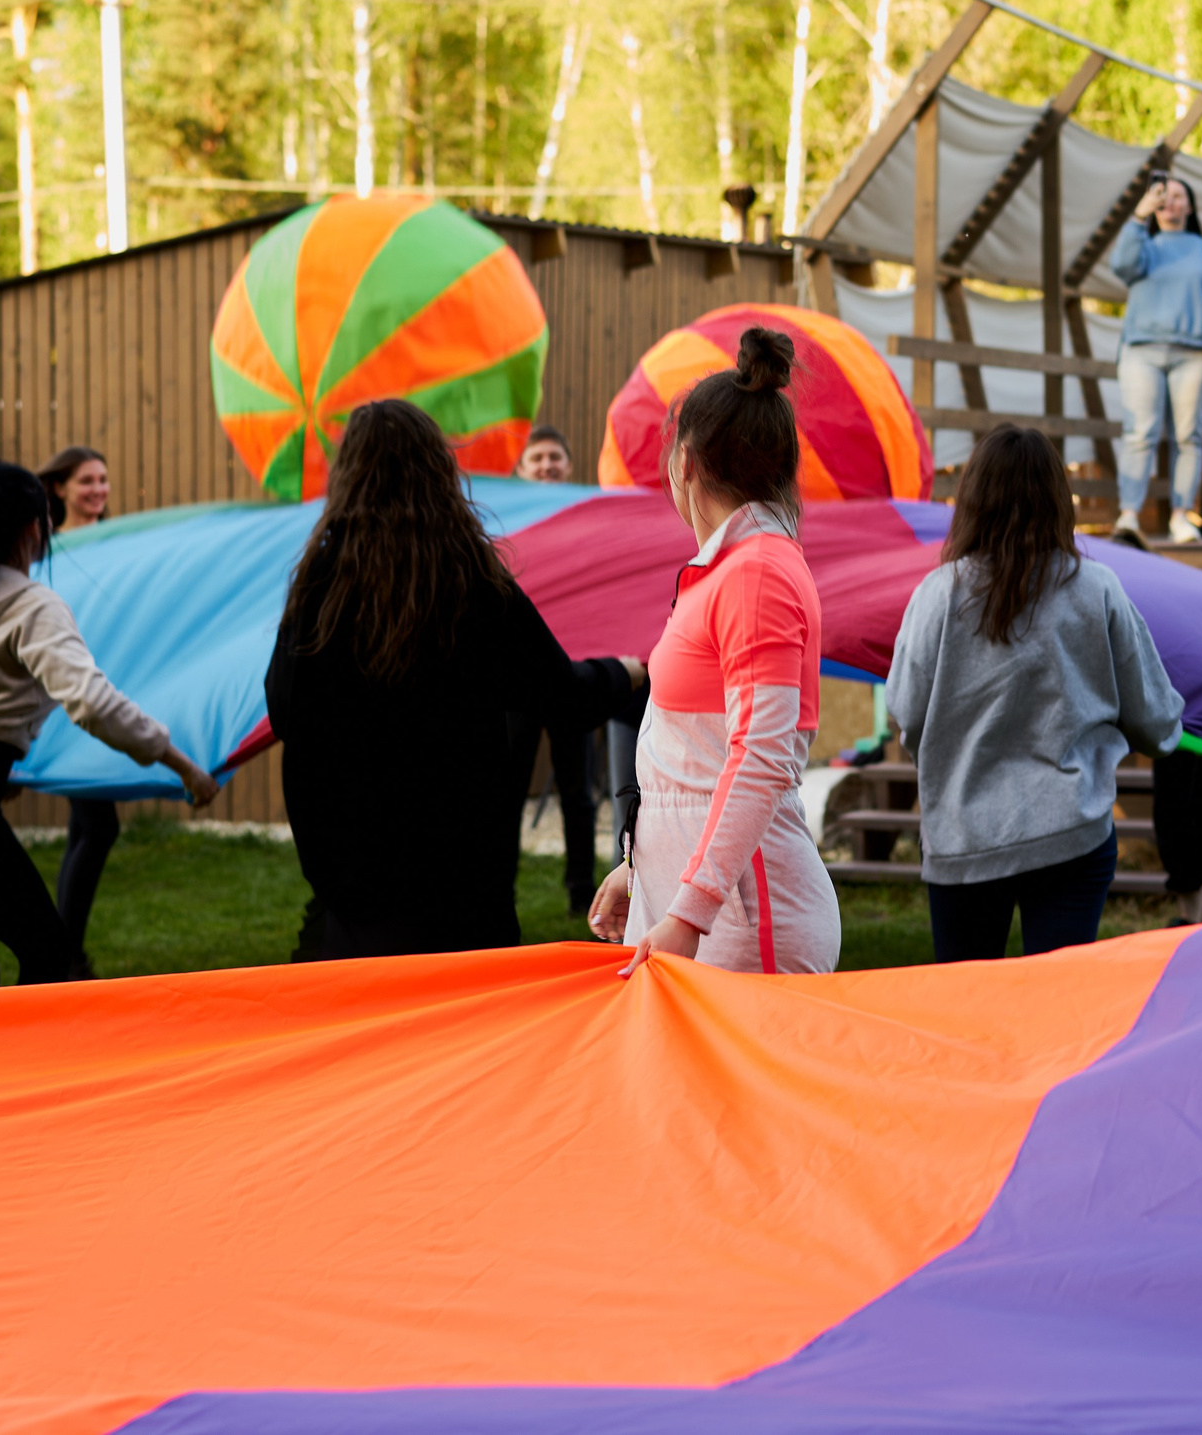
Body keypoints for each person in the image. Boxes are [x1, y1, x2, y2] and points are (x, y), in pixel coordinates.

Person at [267, 401, 641, 960]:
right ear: (439, 474)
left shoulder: (320, 586)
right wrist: (626, 672)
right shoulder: (470, 581)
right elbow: (560, 695)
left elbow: (282, 708)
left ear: (347, 479)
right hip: (460, 888)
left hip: (352, 889)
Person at [0, 462, 220, 989]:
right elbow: (93, 703)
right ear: (35, 527)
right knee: (48, 950)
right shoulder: (33, 605)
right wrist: (183, 766)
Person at [589, 327, 843, 977]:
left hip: (739, 925)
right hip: (712, 913)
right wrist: (642, 870)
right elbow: (691, 764)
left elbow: (759, 755)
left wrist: (689, 910)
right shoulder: (737, 567)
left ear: (687, 462)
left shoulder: (756, 574)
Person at [887, 425, 1183, 960]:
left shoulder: (938, 595)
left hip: (964, 840)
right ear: (1058, 500)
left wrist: (949, 756)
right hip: (1071, 832)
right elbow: (1157, 723)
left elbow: (906, 714)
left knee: (966, 1003)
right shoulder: (1097, 589)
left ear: (972, 501)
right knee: (1062, 1003)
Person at [1111, 174, 1202, 545]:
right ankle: (1129, 515)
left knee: (1188, 436)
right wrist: (1138, 215)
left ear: (1190, 205)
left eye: (1177, 195)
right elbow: (1121, 265)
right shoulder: (1144, 246)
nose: (1169, 201)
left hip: (1194, 353)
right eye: (1162, 195)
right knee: (1140, 432)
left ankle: (1181, 516)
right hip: (1142, 350)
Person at [506, 423, 603, 912]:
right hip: (518, 678)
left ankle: (581, 894)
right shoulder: (510, 523)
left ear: (568, 466)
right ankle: (498, 888)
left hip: (571, 673)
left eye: (554, 457)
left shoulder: (584, 519)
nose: (546, 465)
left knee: (576, 791)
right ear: (521, 470)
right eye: (537, 458)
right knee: (507, 790)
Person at [37, 445, 124, 959]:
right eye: (87, 481)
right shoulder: (48, 552)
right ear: (60, 488)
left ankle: (64, 951)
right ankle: (64, 955)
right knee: (98, 825)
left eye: (103, 480)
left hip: (106, 688)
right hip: (69, 699)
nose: (98, 490)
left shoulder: (120, 541)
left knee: (86, 827)